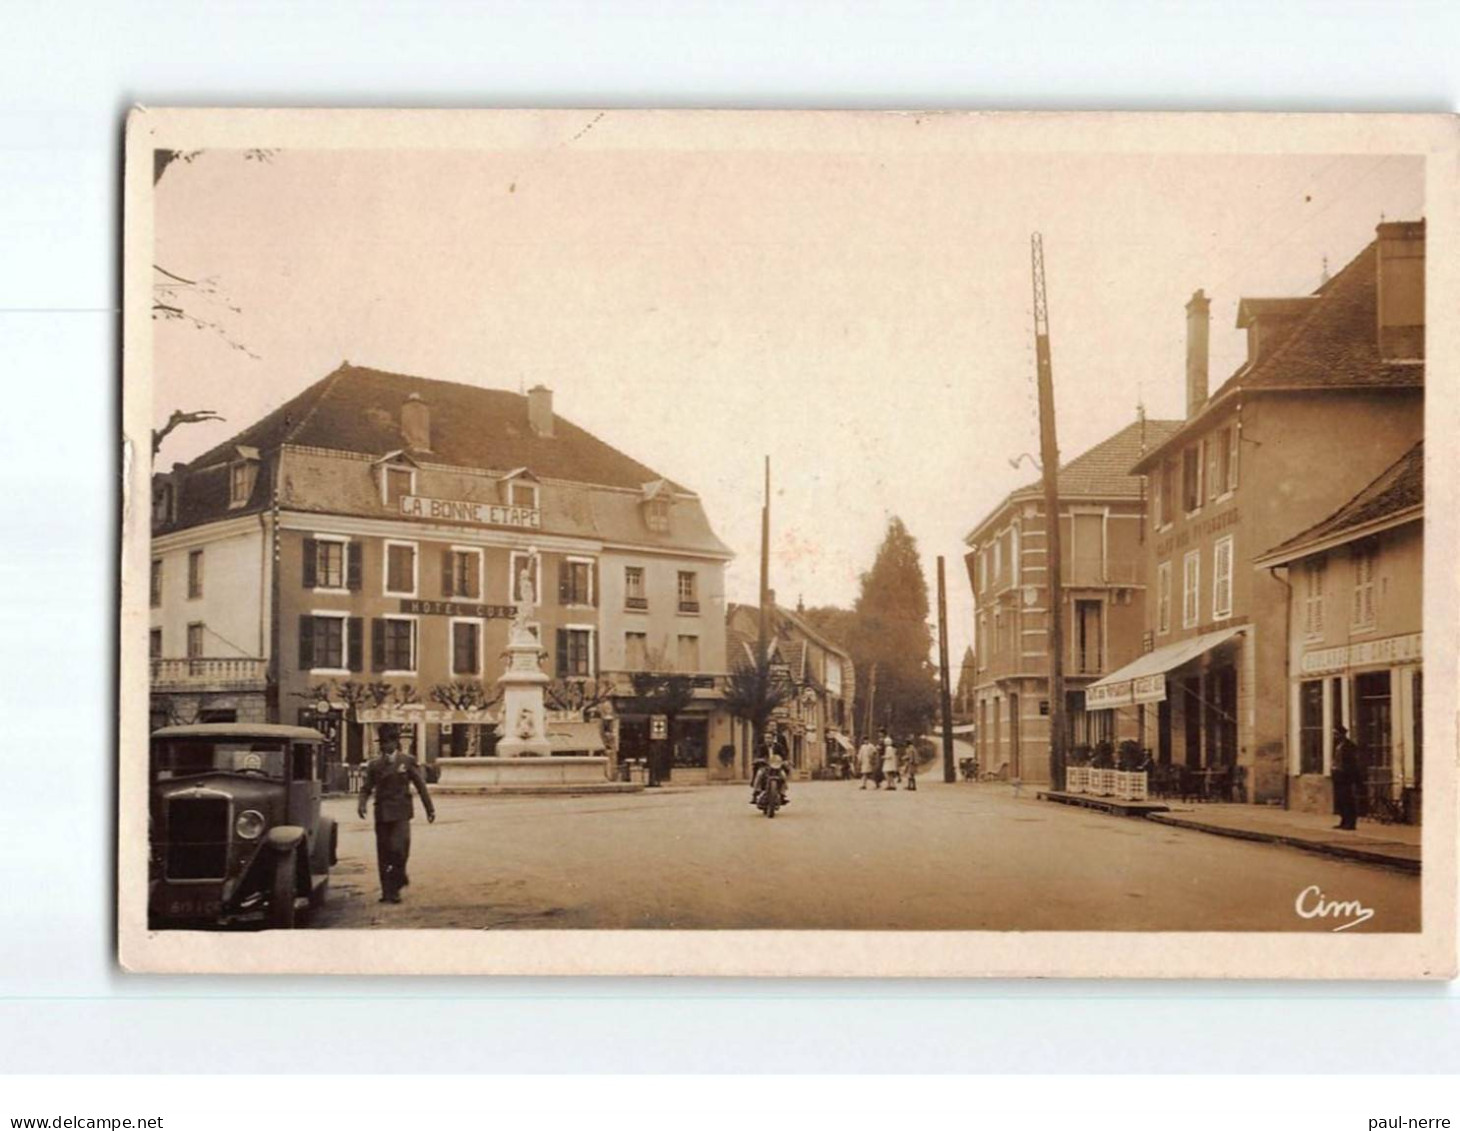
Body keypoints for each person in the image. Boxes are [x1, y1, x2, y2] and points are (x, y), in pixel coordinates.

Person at [357, 723, 435, 903]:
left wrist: (429, 808)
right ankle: (388, 892)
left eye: (388, 742)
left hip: (401, 813)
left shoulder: (407, 761)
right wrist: (362, 804)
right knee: (383, 853)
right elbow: (366, 788)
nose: (385, 746)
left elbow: (420, 785)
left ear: (395, 743)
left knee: (400, 849)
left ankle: (398, 878)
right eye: (382, 743)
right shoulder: (374, 765)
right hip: (382, 813)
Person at [1332, 722, 1364, 831]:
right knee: (1340, 800)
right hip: (1338, 776)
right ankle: (1343, 821)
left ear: (1342, 734)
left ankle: (1351, 823)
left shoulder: (1349, 746)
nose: (1335, 736)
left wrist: (1353, 778)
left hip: (1346, 777)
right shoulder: (1337, 745)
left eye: (1336, 734)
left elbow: (1352, 764)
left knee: (1348, 800)